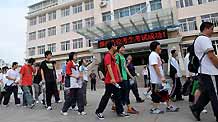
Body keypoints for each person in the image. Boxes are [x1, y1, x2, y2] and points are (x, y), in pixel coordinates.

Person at [189, 22, 218, 122]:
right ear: (206, 28)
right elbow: (211, 56)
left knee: (208, 93)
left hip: (204, 71)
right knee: (215, 94)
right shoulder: (204, 39)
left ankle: (196, 108)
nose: (213, 31)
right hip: (210, 72)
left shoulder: (198, 39)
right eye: (211, 29)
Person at [95, 41, 129, 120]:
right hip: (110, 81)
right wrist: (113, 78)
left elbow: (115, 67)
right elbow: (109, 67)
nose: (116, 46)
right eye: (115, 45)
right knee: (106, 97)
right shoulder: (107, 56)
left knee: (118, 96)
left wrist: (119, 77)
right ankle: (99, 111)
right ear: (112, 46)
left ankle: (120, 111)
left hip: (115, 80)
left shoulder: (113, 56)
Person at [148, 41, 179, 114]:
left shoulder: (156, 55)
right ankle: (155, 108)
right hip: (156, 80)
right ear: (155, 47)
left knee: (165, 92)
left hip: (160, 79)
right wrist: (161, 77)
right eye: (159, 46)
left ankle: (169, 106)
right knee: (156, 94)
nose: (160, 47)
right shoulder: (153, 55)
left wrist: (162, 78)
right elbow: (155, 67)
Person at [116, 44, 139, 114]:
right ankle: (128, 108)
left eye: (124, 48)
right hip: (122, 78)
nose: (123, 49)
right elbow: (117, 66)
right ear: (118, 49)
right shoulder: (117, 56)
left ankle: (124, 106)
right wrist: (120, 76)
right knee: (124, 93)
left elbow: (125, 67)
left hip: (125, 77)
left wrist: (131, 76)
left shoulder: (122, 56)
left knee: (125, 93)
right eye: (122, 48)